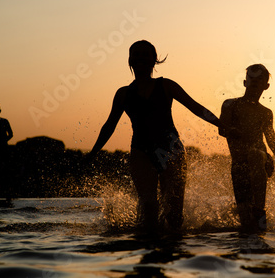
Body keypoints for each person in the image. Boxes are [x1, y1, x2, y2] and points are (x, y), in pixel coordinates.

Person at [86, 40, 224, 234]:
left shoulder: (166, 85)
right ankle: (148, 251)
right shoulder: (123, 93)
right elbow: (109, 125)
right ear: (130, 61)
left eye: (146, 54)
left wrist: (221, 125)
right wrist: (93, 153)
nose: (141, 57)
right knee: (149, 207)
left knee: (174, 214)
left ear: (154, 60)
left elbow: (195, 107)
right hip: (141, 151)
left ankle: (170, 252)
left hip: (171, 149)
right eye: (136, 54)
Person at [219, 64, 275, 233]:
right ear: (245, 82)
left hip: (261, 159)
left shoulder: (265, 112)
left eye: (259, 80)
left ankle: (260, 210)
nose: (255, 82)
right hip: (239, 163)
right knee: (245, 220)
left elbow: (272, 139)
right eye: (251, 79)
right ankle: (252, 225)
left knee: (254, 154)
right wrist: (230, 130)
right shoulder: (230, 105)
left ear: (266, 86)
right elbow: (221, 128)